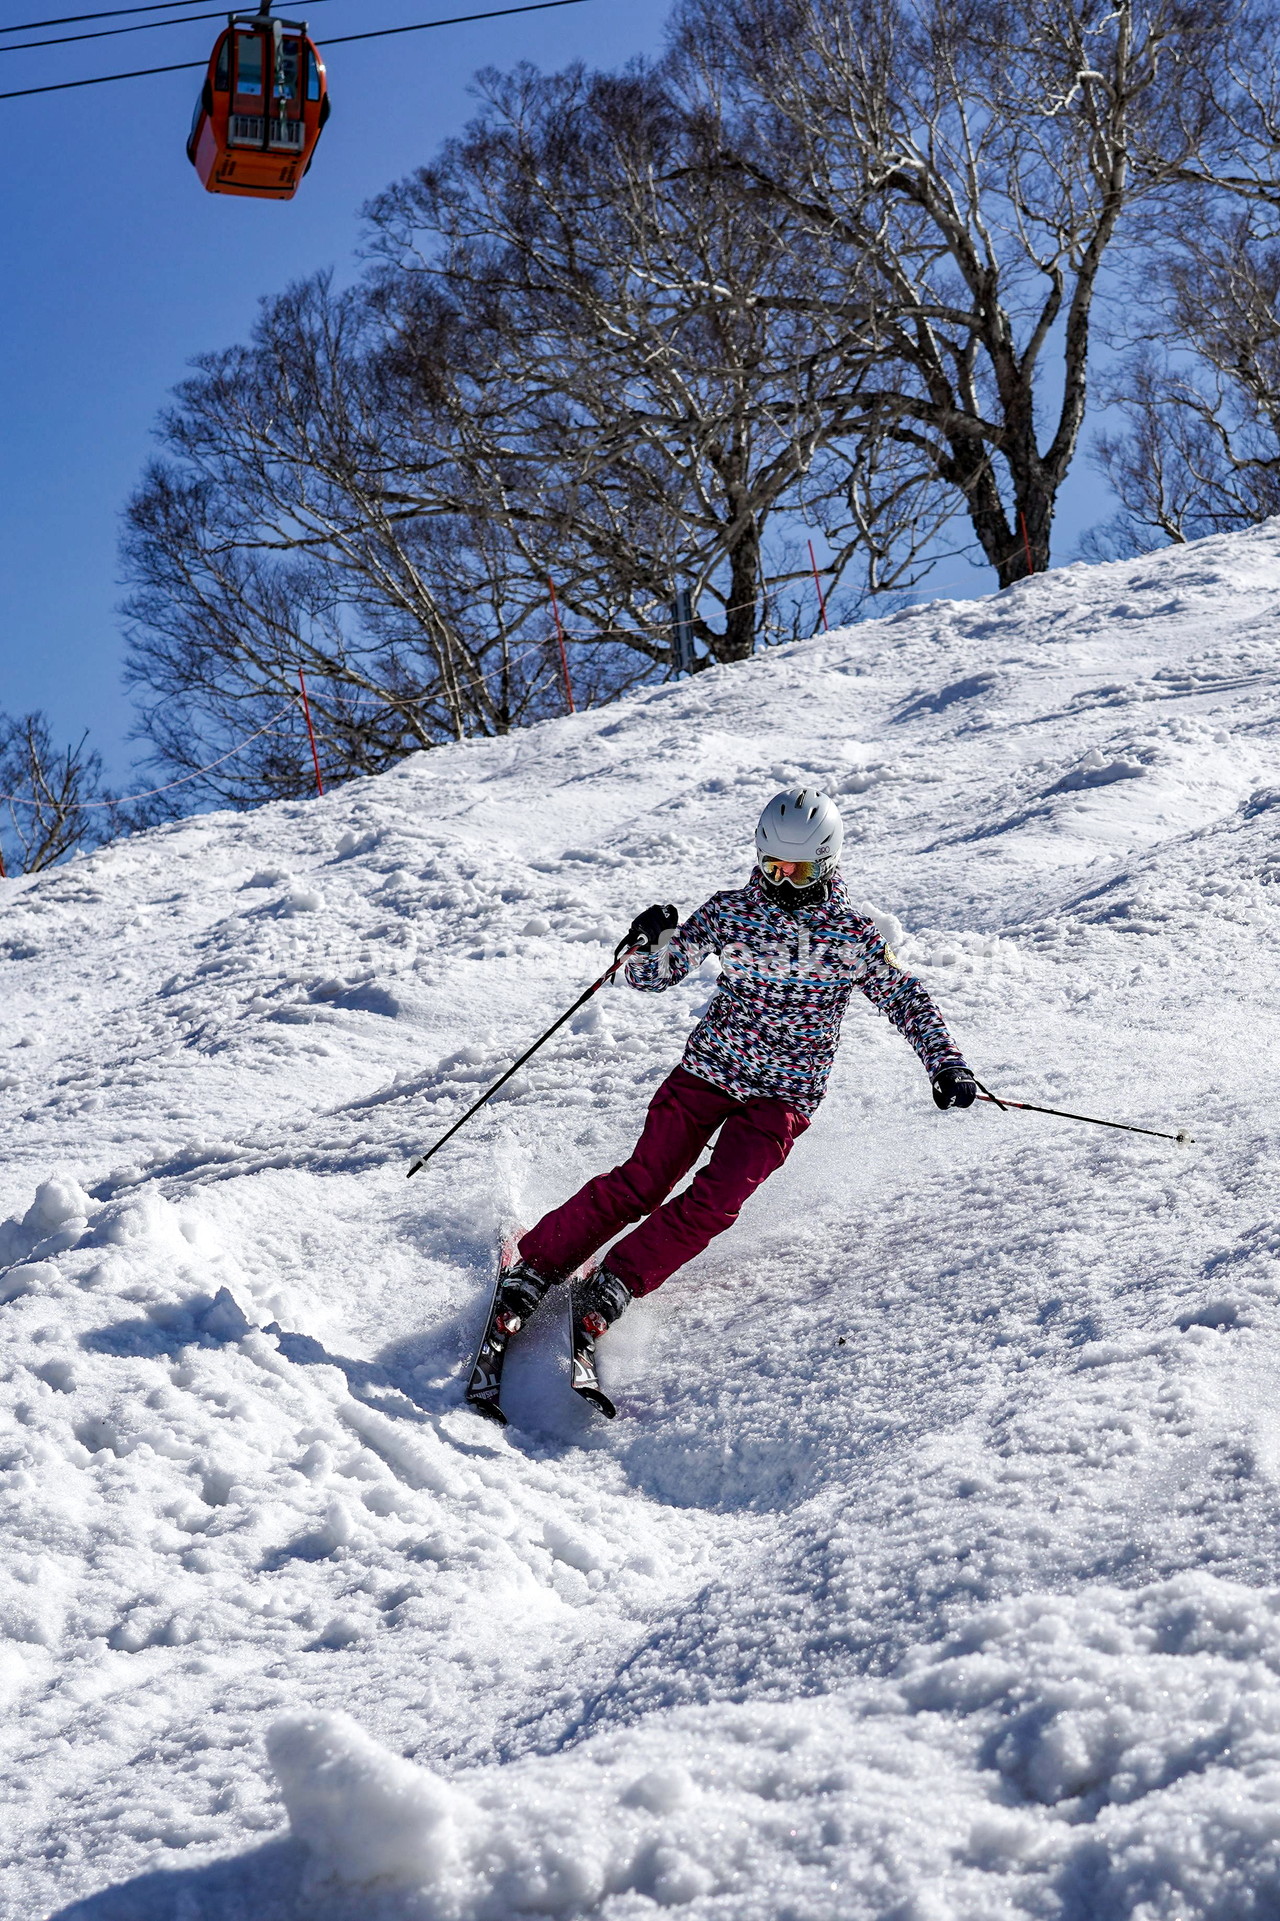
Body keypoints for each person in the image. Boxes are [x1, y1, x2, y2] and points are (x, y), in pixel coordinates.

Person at [495, 787, 975, 1369]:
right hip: (709, 1071)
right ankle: (537, 1265)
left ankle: (616, 1281)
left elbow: (906, 998)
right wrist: (649, 943)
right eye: (772, 866)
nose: (781, 882)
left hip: (783, 1097)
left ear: (827, 863)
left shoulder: (854, 934)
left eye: (798, 870)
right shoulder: (731, 911)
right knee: (644, 1180)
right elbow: (655, 976)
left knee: (717, 1199)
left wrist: (946, 1062)